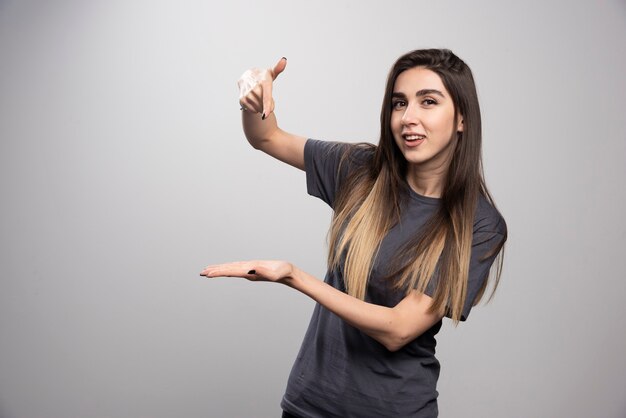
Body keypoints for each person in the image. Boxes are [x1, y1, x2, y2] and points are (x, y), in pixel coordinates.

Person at [201, 49, 507, 418]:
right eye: (399, 103)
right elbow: (267, 138)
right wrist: (253, 97)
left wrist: (295, 277)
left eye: (428, 102)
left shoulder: (479, 224)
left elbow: (397, 329)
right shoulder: (361, 170)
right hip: (308, 405)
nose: (408, 118)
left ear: (461, 118)